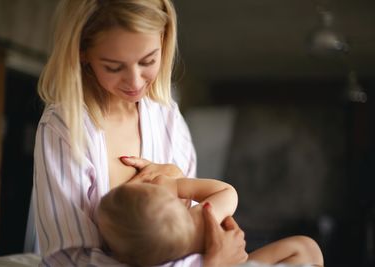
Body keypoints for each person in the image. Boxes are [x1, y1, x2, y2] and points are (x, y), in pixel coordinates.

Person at [33, 0, 247, 266]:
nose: (134, 82)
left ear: (164, 41)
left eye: (148, 61)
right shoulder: (65, 127)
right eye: (114, 67)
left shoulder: (168, 119)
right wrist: (212, 263)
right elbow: (67, 258)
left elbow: (186, 231)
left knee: (308, 251)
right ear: (82, 52)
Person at [97, 172, 324, 267]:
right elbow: (228, 193)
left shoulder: (143, 258)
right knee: (306, 247)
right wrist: (177, 184)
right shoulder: (199, 221)